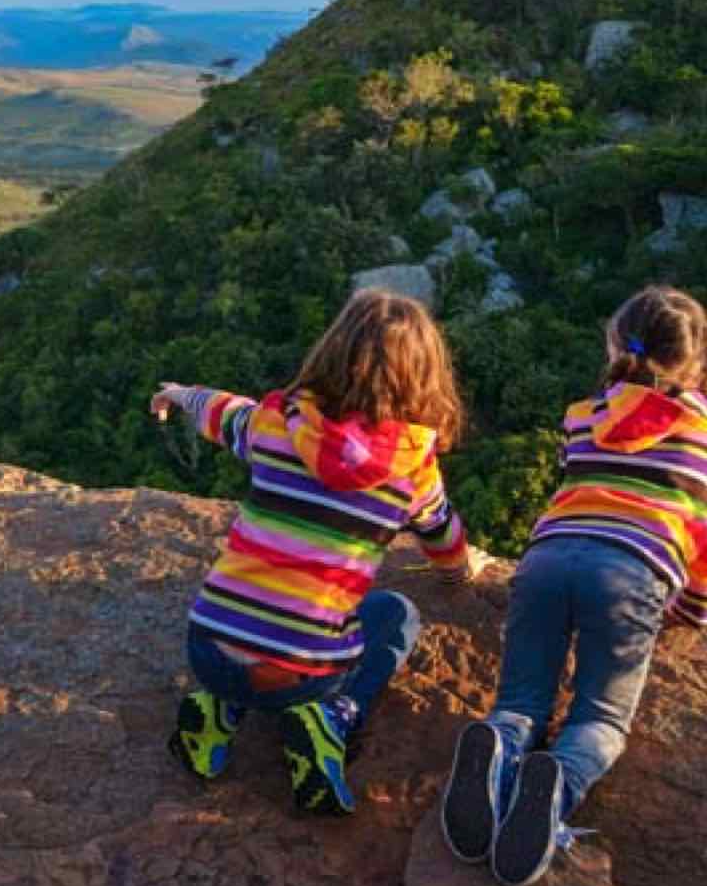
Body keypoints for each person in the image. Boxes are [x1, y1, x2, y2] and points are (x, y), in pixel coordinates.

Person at [439, 285, 707, 886]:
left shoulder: (584, 417)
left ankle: (501, 745)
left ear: (619, 346)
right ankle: (556, 780)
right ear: (704, 356)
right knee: (602, 719)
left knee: (520, 702)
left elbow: (576, 492)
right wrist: (697, 610)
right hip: (632, 574)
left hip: (546, 560)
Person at [152, 288, 474, 816]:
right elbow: (442, 535)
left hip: (206, 649)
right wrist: (459, 575)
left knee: (249, 623)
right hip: (303, 675)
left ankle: (222, 708)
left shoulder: (277, 423)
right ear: (425, 378)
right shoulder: (414, 466)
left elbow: (222, 410)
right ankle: (334, 718)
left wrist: (181, 394)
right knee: (396, 615)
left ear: (330, 352)